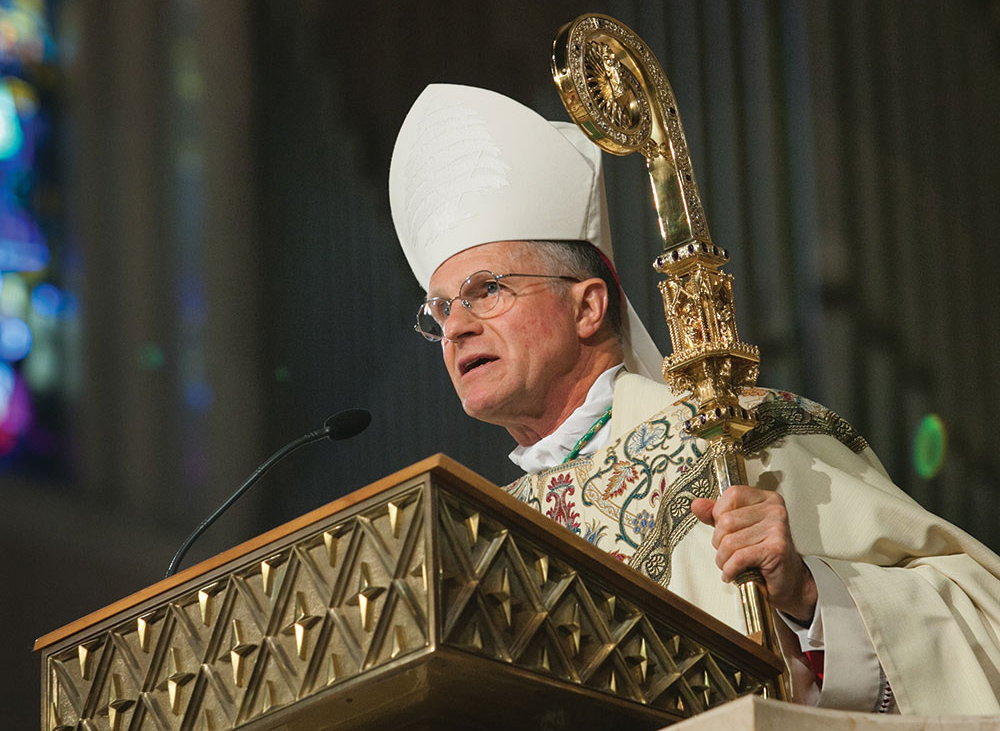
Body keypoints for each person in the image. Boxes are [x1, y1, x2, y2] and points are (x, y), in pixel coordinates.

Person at [389, 83, 1000, 715]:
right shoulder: (482, 535)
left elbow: (982, 617)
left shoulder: (742, 432)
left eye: (486, 290)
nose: (456, 327)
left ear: (588, 306)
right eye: (441, 310)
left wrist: (808, 595)